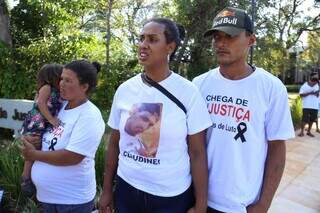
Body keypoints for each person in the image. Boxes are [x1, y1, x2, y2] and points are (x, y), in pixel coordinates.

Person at [99, 18, 212, 213]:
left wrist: (201, 204)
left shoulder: (188, 93)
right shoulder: (125, 90)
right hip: (127, 190)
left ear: (170, 47)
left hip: (170, 196)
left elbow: (197, 153)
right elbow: (114, 143)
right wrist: (107, 190)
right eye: (141, 38)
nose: (143, 45)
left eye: (152, 39)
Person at [193, 7, 295, 213]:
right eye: (217, 37)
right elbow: (193, 145)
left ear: (251, 40)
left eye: (230, 36)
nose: (221, 43)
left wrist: (264, 204)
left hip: (240, 205)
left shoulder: (271, 88)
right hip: (198, 198)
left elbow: (277, 149)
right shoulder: (199, 84)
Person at [21, 60, 105, 213]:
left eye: (68, 80)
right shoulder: (60, 106)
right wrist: (34, 142)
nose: (61, 84)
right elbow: (48, 139)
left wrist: (33, 154)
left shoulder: (90, 115)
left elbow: (72, 157)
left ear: (84, 87)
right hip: (47, 199)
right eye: (61, 79)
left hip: (72, 202)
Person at [20, 63, 63, 197]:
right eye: (60, 77)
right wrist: (51, 119)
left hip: (43, 123)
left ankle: (29, 178)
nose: (62, 80)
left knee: (38, 148)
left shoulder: (57, 91)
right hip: (37, 122)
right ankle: (25, 178)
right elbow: (40, 103)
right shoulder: (47, 87)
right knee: (33, 146)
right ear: (52, 77)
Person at [298, 72, 319, 137]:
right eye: (315, 77)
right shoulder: (304, 85)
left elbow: (318, 95)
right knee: (304, 119)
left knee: (312, 119)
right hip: (306, 105)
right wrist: (310, 93)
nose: (316, 78)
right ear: (311, 77)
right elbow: (301, 95)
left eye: (317, 77)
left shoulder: (318, 85)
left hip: (315, 106)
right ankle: (301, 132)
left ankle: (309, 132)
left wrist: (317, 93)